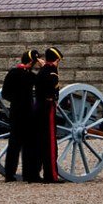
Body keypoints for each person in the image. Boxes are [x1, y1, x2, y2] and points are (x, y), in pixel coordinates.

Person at [1, 49, 41, 182]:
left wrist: (16, 100)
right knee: (29, 144)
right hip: (28, 113)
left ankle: (9, 174)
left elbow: (5, 93)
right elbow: (43, 81)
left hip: (15, 112)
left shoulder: (12, 73)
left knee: (14, 144)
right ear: (31, 62)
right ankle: (28, 174)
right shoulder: (30, 76)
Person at [35, 47, 63, 182]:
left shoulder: (42, 71)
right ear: (56, 60)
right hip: (48, 108)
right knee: (51, 144)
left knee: (41, 142)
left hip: (38, 107)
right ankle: (51, 175)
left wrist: (45, 65)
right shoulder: (52, 73)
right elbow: (55, 92)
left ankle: (36, 172)